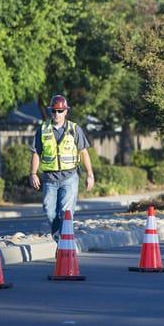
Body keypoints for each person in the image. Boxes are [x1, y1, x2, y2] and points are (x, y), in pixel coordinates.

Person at [29, 95, 94, 241]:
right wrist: (33, 173)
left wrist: (90, 174)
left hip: (69, 178)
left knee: (66, 213)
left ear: (66, 111)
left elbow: (84, 152)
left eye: (59, 111)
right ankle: (59, 238)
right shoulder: (43, 130)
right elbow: (36, 153)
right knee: (49, 211)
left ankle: (64, 245)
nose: (56, 114)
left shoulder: (75, 129)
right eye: (54, 111)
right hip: (49, 179)